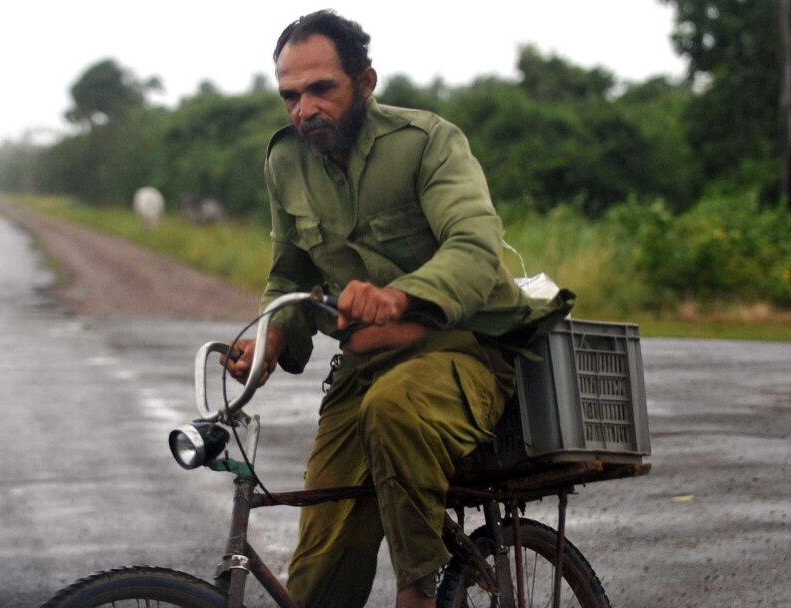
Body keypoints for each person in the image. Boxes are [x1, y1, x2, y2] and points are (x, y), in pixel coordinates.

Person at [226, 10, 555, 608]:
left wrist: (400, 295)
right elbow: (290, 272)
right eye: (291, 96)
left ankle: (419, 588)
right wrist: (270, 338)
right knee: (319, 571)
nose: (304, 110)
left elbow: (476, 248)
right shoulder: (285, 162)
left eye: (321, 89)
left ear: (366, 83)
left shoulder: (428, 142)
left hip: (463, 350)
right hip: (362, 366)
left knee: (394, 408)